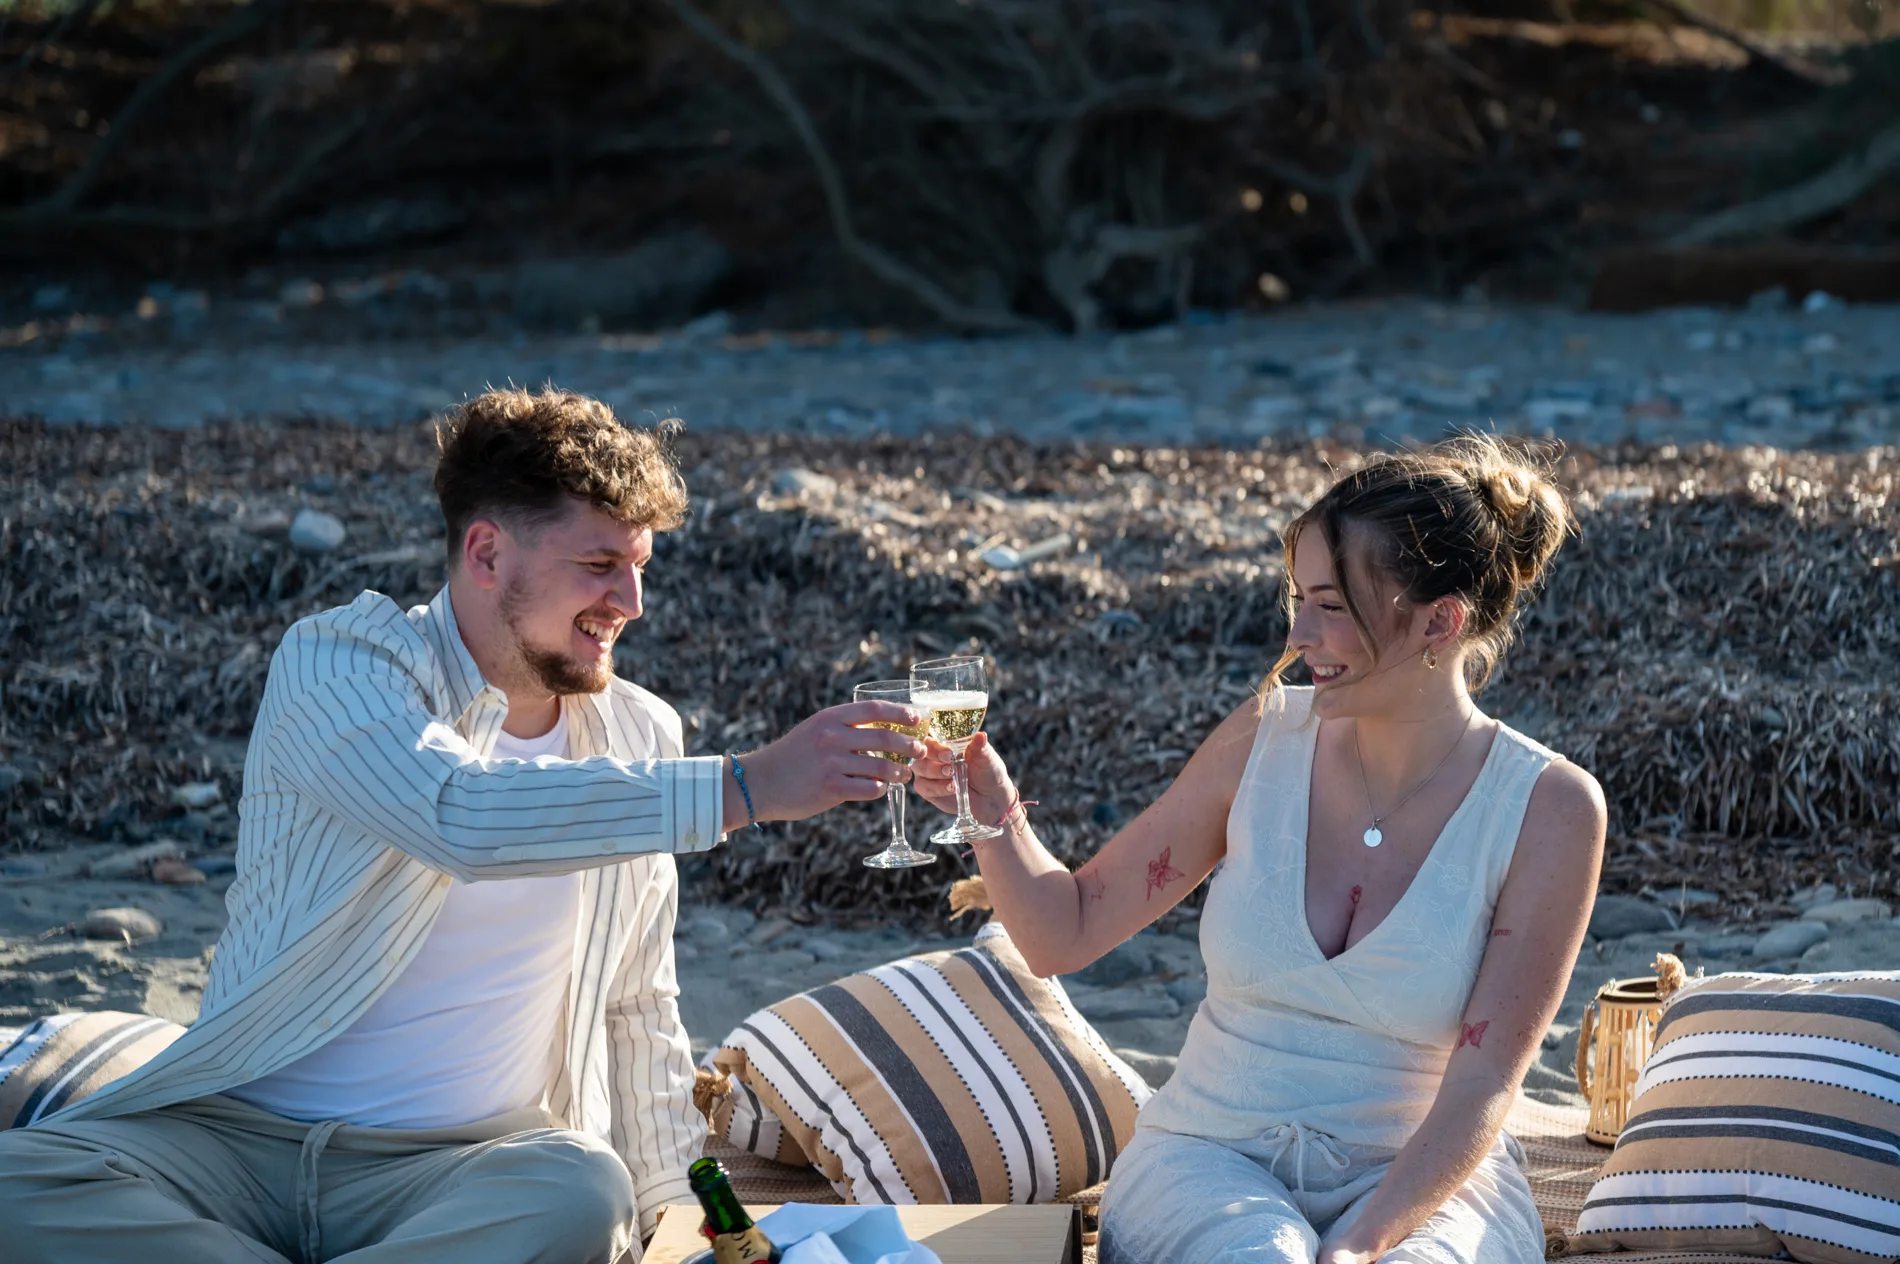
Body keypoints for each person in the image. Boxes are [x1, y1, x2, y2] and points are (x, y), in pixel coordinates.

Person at [0, 387, 924, 1264]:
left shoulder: (642, 735)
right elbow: (459, 814)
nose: (631, 602)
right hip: (236, 1143)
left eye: (639, 567)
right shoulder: (338, 665)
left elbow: (636, 1004)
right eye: (599, 565)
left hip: (457, 1173)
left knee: (582, 1188)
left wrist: (679, 1220)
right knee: (16, 1182)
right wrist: (747, 786)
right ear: (486, 554)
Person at [914, 437, 1607, 1263]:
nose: (1299, 634)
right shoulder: (1262, 740)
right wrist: (994, 810)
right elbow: (1064, 932)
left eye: (1331, 606)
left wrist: (1360, 1244)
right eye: (1298, 600)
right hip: (1210, 1160)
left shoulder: (1548, 808)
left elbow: (1485, 1082)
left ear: (1441, 621)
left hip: (1422, 1179)